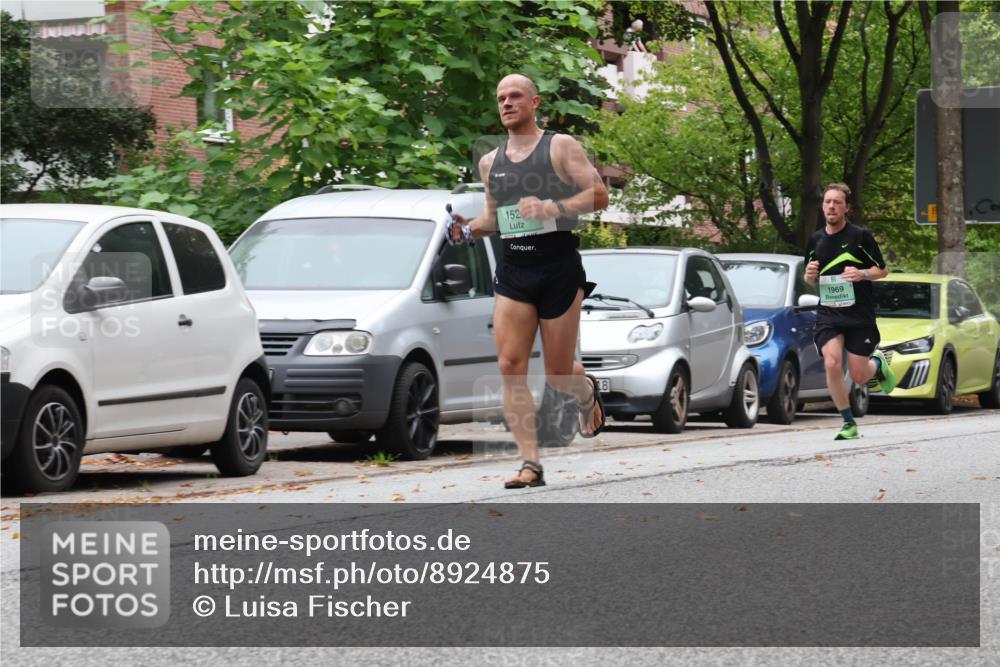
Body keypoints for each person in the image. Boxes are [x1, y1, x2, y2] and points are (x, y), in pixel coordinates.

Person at [448, 73, 610, 488]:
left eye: (515, 96)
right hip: (515, 271)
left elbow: (598, 195)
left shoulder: (559, 146)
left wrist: (553, 206)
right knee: (510, 365)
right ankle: (530, 464)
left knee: (557, 374)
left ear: (534, 102)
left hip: (558, 268)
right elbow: (494, 219)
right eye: (500, 97)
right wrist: (468, 231)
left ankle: (584, 390)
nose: (506, 103)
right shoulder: (490, 162)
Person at [804, 183, 897, 440]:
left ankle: (877, 364)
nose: (831, 206)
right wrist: (809, 276)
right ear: (822, 206)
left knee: (857, 374)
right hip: (829, 314)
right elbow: (812, 277)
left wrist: (862, 274)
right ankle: (848, 423)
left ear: (847, 208)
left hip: (859, 315)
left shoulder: (860, 237)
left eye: (837, 202)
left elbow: (882, 270)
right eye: (827, 202)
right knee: (831, 362)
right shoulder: (815, 239)